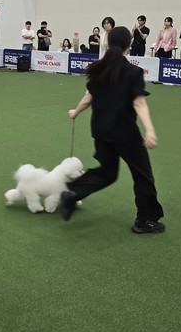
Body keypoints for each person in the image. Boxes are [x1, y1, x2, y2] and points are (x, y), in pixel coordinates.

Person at [60, 26, 165, 234]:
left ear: (107, 43)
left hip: (100, 131)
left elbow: (88, 98)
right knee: (143, 176)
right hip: (125, 133)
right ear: (129, 44)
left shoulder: (98, 69)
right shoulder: (133, 72)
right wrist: (150, 130)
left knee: (107, 173)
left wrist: (75, 112)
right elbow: (139, 103)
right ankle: (145, 220)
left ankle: (73, 192)